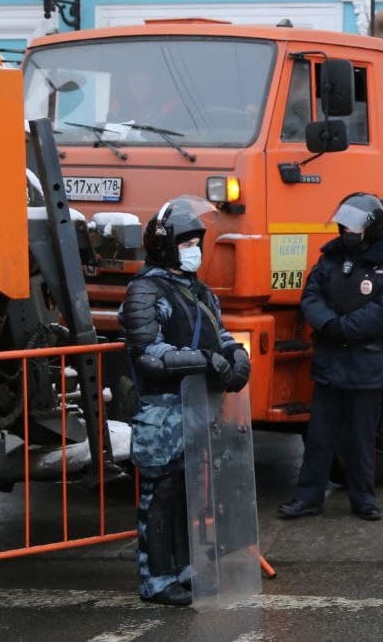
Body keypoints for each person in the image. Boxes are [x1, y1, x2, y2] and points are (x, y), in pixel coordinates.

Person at [119, 195, 251, 607]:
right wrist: (206, 361)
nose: (194, 250)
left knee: (189, 495)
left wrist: (237, 359)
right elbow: (148, 352)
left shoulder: (198, 290)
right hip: (163, 413)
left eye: (196, 242)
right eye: (186, 243)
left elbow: (221, 334)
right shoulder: (144, 290)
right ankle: (156, 580)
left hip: (198, 409)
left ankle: (183, 569)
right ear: (165, 245)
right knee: (160, 499)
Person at [278, 193, 383, 523]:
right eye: (345, 225)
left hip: (365, 364)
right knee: (319, 435)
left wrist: (344, 328)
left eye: (355, 226)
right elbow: (311, 295)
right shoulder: (331, 259)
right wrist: (328, 325)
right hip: (331, 362)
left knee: (362, 437)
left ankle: (363, 497)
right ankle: (309, 497)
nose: (348, 232)